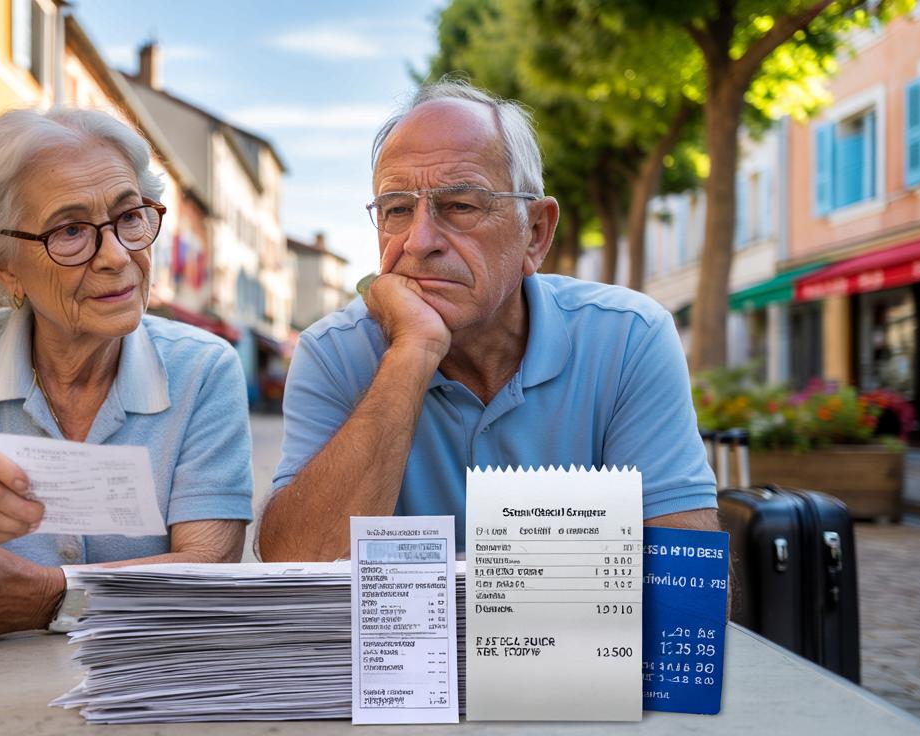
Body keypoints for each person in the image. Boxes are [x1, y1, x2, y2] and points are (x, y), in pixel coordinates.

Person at [257, 81, 718, 562]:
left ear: (535, 233)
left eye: (460, 205)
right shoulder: (333, 352)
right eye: (397, 209)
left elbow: (687, 582)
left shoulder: (627, 339)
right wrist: (412, 352)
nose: (419, 241)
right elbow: (295, 566)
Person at [0, 107, 254, 643]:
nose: (116, 256)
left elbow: (210, 573)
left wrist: (48, 596)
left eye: (130, 217)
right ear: (3, 264)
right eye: (71, 230)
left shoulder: (202, 368)